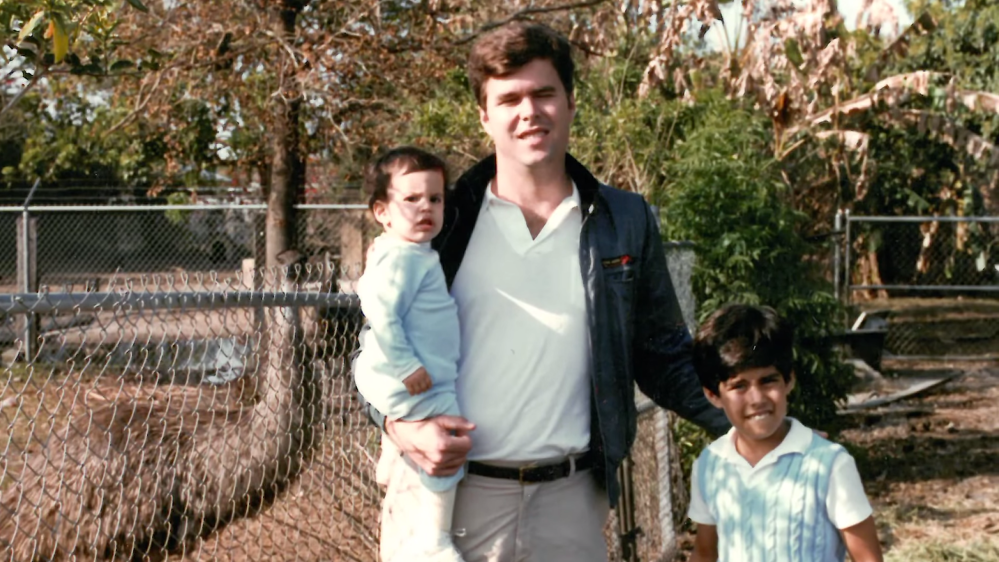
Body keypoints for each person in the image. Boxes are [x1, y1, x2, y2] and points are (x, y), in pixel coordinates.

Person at [354, 21, 730, 562]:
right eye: (508, 98)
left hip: (570, 504)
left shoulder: (623, 220)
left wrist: (753, 421)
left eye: (543, 93)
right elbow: (371, 349)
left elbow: (662, 354)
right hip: (449, 499)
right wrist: (399, 425)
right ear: (485, 115)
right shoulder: (443, 221)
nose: (528, 111)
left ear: (571, 102)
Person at [688, 304, 883, 562]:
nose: (756, 399)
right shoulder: (709, 465)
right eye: (739, 386)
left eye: (768, 380)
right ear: (713, 395)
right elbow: (705, 552)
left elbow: (868, 558)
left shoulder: (830, 464)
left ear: (789, 380)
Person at [353, 147, 466, 562]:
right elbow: (379, 310)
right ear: (382, 212)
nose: (426, 208)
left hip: (383, 376)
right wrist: (407, 366)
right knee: (449, 442)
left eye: (435, 199)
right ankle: (435, 540)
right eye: (411, 199)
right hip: (409, 379)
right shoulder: (403, 258)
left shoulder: (397, 250)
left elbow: (369, 290)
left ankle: (389, 451)